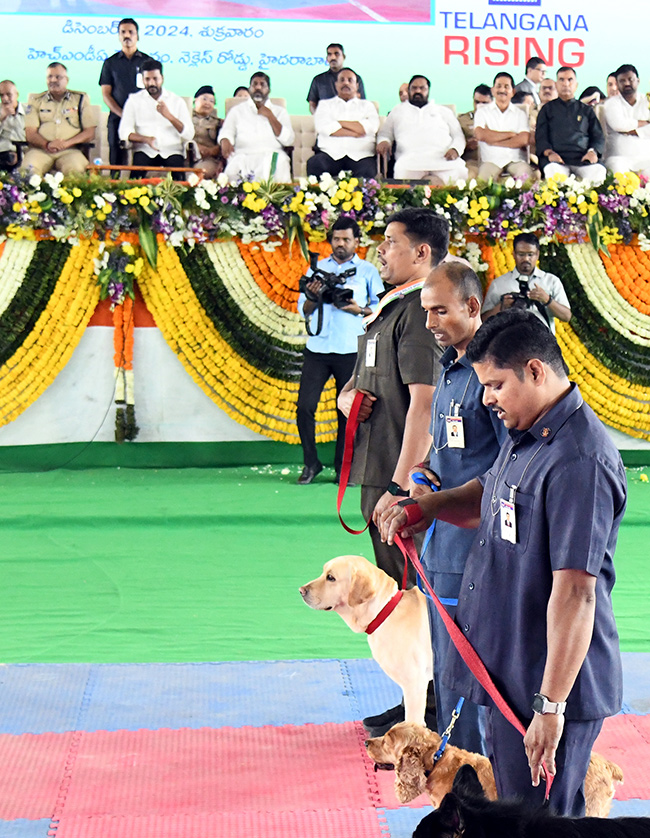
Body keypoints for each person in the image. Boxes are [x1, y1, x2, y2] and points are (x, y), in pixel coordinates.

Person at [379, 309, 627, 817]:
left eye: (495, 384)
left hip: (547, 682)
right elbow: (488, 496)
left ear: (536, 371)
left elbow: (577, 592)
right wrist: (427, 506)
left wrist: (551, 706)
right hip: (510, 671)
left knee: (539, 825)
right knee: (512, 816)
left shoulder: (580, 461)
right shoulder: (525, 432)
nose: (487, 398)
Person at [414, 261, 507, 754]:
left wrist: (441, 500)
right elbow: (445, 446)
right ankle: (461, 788)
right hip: (440, 547)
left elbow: (511, 467)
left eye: (440, 311)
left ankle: (476, 791)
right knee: (446, 669)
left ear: (473, 308)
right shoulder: (451, 370)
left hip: (477, 550)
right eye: (426, 311)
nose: (430, 322)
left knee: (470, 674)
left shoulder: (494, 375)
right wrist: (422, 474)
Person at [338, 208, 445, 586]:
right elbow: (357, 384)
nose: (379, 250)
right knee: (398, 593)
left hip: (399, 481)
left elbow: (426, 402)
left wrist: (400, 488)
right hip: (380, 470)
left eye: (390, 241)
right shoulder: (391, 308)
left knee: (414, 597)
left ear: (421, 253)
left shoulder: (420, 311)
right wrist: (344, 400)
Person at [296, 217, 384, 485]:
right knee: (304, 407)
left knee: (347, 411)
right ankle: (311, 463)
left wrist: (359, 309)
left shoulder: (368, 271)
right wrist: (313, 296)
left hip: (350, 349)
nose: (341, 244)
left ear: (356, 241)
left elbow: (381, 308)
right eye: (336, 239)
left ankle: (342, 468)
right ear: (330, 240)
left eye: (346, 239)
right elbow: (303, 310)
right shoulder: (317, 269)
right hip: (318, 348)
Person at [376, 74, 467, 183]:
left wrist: (455, 149)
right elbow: (385, 134)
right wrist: (384, 142)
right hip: (409, 161)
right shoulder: (397, 110)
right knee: (402, 179)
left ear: (428, 90)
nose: (418, 91)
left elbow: (458, 136)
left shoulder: (444, 111)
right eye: (414, 88)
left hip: (443, 160)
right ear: (409, 90)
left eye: (422, 88)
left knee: (460, 172)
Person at [119, 59, 193, 180]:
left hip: (172, 150)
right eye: (147, 79)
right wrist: (145, 139)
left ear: (162, 78)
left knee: (179, 181)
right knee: (135, 181)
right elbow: (124, 132)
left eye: (155, 78)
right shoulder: (134, 100)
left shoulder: (177, 101)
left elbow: (189, 134)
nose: (152, 83)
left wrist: (169, 116)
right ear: (142, 80)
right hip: (145, 150)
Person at [482, 232, 571, 333]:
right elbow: (483, 321)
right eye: (521, 254)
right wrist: (501, 307)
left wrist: (547, 299)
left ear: (537, 254)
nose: (526, 259)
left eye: (530, 254)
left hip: (543, 345)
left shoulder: (551, 281)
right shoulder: (499, 284)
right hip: (508, 344)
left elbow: (566, 316)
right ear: (514, 254)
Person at [22, 62, 97, 176]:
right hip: (41, 150)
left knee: (76, 171)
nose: (53, 80)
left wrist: (66, 143)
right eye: (49, 77)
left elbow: (90, 132)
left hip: (70, 151)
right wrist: (47, 144)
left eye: (58, 77)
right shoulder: (35, 100)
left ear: (67, 80)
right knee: (28, 172)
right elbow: (30, 133)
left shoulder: (80, 99)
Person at [535, 66, 606, 185]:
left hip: (583, 160)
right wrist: (550, 153)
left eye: (570, 80)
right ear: (556, 85)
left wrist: (592, 152)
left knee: (598, 172)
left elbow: (598, 136)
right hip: (557, 160)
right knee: (553, 172)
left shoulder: (586, 110)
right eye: (561, 80)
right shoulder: (547, 110)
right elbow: (541, 137)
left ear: (576, 85)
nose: (565, 84)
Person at [219, 71, 294, 182]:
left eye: (262, 84)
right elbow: (227, 131)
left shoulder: (279, 112)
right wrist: (225, 140)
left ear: (268, 90)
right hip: (243, 155)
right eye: (255, 84)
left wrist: (270, 116)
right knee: (232, 172)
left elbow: (288, 140)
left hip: (271, 154)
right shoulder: (237, 110)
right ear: (250, 89)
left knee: (280, 163)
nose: (258, 87)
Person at [308, 68, 378, 179]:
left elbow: (370, 127)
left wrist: (338, 123)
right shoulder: (325, 105)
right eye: (342, 80)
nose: (346, 83)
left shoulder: (367, 106)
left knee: (367, 171)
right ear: (336, 85)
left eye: (350, 80)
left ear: (357, 85)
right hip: (330, 154)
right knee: (315, 163)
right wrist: (355, 132)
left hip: (361, 155)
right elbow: (324, 128)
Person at [99, 17, 150, 167]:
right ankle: (114, 187)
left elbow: (153, 93)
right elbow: (106, 94)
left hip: (143, 117)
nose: (127, 35)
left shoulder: (147, 62)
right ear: (119, 36)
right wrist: (123, 114)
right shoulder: (110, 63)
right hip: (117, 116)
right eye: (123, 32)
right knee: (115, 158)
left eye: (131, 32)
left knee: (142, 156)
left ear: (137, 36)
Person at [474, 72, 533, 182]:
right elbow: (480, 134)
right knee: (482, 181)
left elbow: (524, 139)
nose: (502, 90)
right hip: (490, 161)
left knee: (525, 175)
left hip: (515, 161)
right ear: (492, 90)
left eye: (507, 87)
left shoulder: (520, 114)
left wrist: (492, 140)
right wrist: (510, 134)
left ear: (513, 92)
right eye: (499, 86)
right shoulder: (482, 112)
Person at [604, 64, 650, 178]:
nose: (627, 83)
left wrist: (629, 130)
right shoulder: (611, 103)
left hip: (645, 159)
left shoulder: (647, 101)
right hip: (618, 158)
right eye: (622, 81)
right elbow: (619, 125)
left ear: (638, 81)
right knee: (618, 172)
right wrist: (645, 123)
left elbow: (625, 127)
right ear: (617, 84)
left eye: (630, 79)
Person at [307, 43, 366, 114]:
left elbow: (361, 102)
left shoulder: (355, 78)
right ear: (327, 58)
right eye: (329, 54)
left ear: (343, 57)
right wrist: (319, 118)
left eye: (336, 54)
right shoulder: (318, 80)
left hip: (350, 120)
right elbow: (312, 104)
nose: (333, 57)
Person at [458, 84, 493, 178]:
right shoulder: (462, 120)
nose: (479, 106)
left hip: (495, 160)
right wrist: (467, 145)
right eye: (476, 102)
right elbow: (453, 144)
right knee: (470, 175)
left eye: (484, 103)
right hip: (472, 161)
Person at [192, 85, 224, 178]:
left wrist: (212, 150)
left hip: (208, 159)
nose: (207, 103)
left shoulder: (218, 122)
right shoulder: (185, 117)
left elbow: (222, 142)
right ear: (195, 100)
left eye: (212, 101)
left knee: (199, 173)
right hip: (186, 157)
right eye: (204, 99)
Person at [0, 80, 25, 170]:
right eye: (1, 95)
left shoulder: (29, 111)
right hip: (3, 153)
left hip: (24, 151)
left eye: (8, 94)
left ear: (17, 94)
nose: (5, 99)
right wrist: (1, 118)